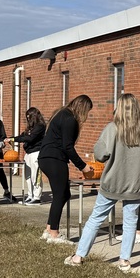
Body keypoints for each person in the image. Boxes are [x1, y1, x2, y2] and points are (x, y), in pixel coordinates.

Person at [64, 94, 140, 272]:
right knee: (131, 220)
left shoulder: (112, 129)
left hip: (113, 182)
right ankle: (124, 261)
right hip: (136, 183)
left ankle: (78, 256)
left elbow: (100, 155)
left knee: (96, 218)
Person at [38, 95, 94, 244]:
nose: (87, 115)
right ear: (83, 108)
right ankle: (54, 234)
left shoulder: (61, 113)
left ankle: (49, 228)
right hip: (55, 159)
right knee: (60, 195)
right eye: (87, 111)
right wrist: (83, 166)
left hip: (46, 158)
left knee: (63, 194)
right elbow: (67, 147)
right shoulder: (70, 119)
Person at [12, 106, 46, 205]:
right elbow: (22, 136)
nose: (28, 119)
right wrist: (11, 139)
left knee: (36, 175)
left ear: (34, 116)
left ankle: (37, 197)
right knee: (28, 176)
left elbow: (30, 138)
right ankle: (30, 195)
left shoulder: (40, 126)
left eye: (29, 117)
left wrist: (21, 139)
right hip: (28, 153)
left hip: (36, 153)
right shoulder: (30, 128)